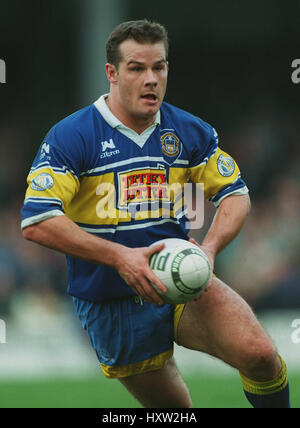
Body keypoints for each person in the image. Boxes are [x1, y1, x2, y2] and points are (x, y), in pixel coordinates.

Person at [21, 19, 290, 408]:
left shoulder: (188, 131)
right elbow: (37, 222)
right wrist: (121, 258)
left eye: (159, 67)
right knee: (175, 413)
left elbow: (235, 194)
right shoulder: (72, 136)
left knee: (260, 355)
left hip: (181, 279)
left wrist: (210, 248)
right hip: (110, 300)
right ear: (112, 73)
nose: (151, 79)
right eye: (137, 68)